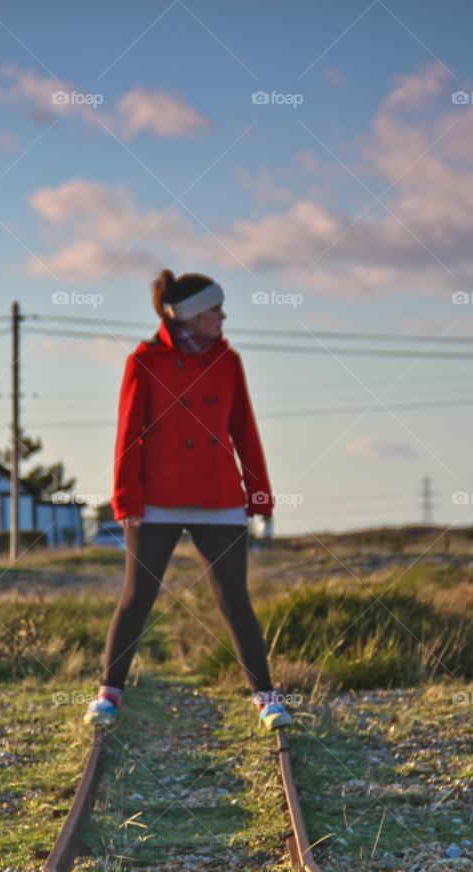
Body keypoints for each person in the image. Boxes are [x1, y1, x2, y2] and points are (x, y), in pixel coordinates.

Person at [84, 269, 293, 732]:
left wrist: (259, 496)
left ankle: (267, 699)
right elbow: (128, 437)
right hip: (156, 498)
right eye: (215, 309)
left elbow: (245, 432)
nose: (223, 315)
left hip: (219, 496)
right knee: (137, 597)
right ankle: (108, 696)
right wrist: (126, 499)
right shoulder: (145, 361)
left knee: (234, 600)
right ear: (194, 315)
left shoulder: (228, 361)